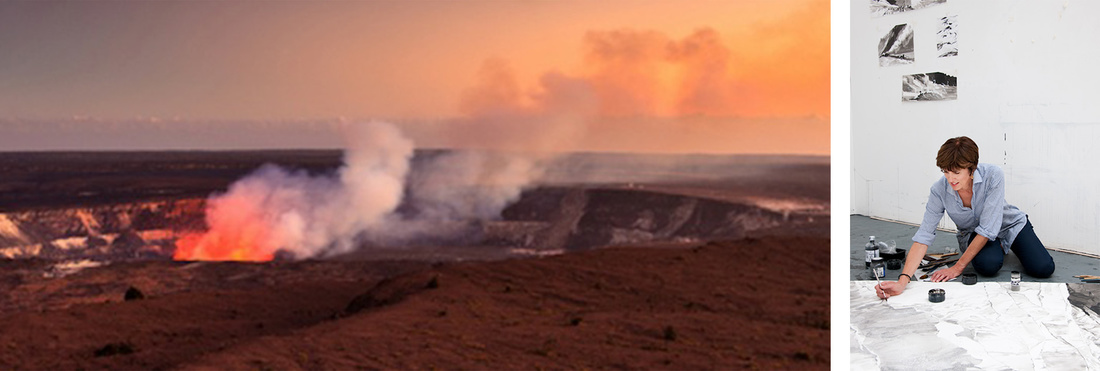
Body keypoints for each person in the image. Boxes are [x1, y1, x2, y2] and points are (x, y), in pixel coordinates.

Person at [876, 136, 1055, 299]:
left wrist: (957, 268)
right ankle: (996, 247)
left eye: (956, 172)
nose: (950, 178)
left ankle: (1002, 244)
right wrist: (902, 282)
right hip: (974, 232)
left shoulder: (993, 175)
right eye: (945, 171)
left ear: (972, 169)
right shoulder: (939, 190)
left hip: (1009, 225)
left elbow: (988, 228)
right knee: (988, 266)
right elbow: (924, 235)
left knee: (1043, 268)